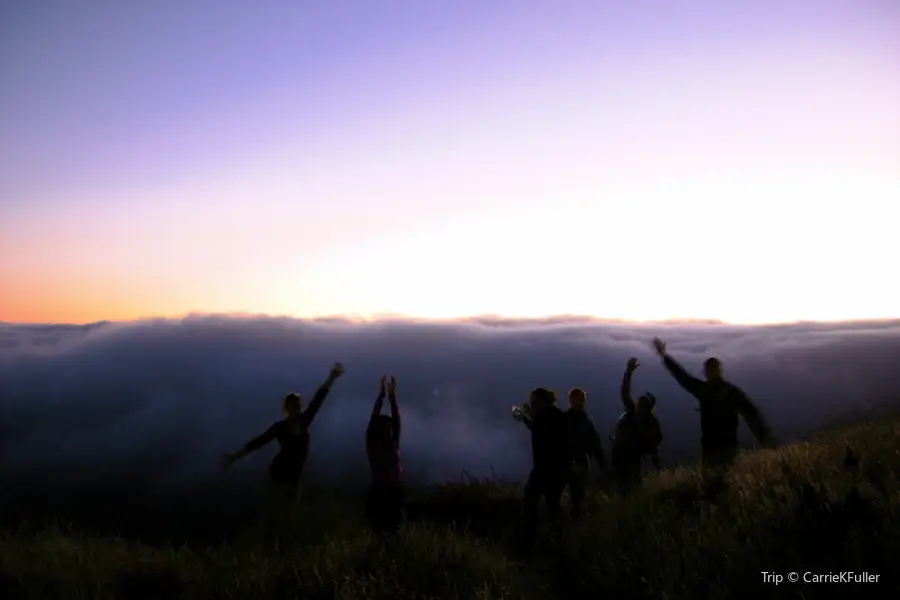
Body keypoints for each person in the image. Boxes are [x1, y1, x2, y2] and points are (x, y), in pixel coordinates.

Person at [221, 362, 345, 540]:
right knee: (276, 514)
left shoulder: (304, 421)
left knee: (290, 516)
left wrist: (332, 377)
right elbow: (259, 442)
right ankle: (271, 545)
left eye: (298, 406)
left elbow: (319, 398)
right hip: (279, 475)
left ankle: (284, 546)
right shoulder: (280, 428)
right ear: (287, 409)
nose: (296, 409)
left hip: (295, 476)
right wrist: (235, 456)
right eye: (293, 406)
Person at [652, 337, 775, 470]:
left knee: (714, 480)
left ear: (706, 373)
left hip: (715, 446)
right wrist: (766, 441)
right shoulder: (729, 392)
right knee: (722, 479)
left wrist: (664, 356)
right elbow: (752, 415)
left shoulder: (704, 390)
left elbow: (682, 377)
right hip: (721, 446)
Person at [515, 387, 570, 549]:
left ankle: (541, 541)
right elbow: (538, 427)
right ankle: (548, 540)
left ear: (543, 402)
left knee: (539, 504)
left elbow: (542, 431)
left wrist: (526, 417)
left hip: (551, 470)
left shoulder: (557, 418)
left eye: (535, 402)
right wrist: (526, 418)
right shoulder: (553, 416)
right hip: (546, 469)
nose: (532, 405)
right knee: (541, 505)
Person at [611, 358, 663, 492]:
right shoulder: (640, 415)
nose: (640, 403)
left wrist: (628, 372)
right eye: (641, 401)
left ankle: (630, 508)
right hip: (622, 455)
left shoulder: (638, 416)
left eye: (643, 402)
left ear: (648, 406)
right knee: (626, 487)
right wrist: (628, 372)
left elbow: (654, 445)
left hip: (630, 457)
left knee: (629, 487)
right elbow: (625, 392)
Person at [366, 375, 404, 533]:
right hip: (380, 490)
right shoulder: (373, 444)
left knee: (394, 528)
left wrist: (391, 396)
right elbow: (374, 419)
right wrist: (382, 395)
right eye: (386, 426)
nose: (389, 428)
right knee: (380, 529)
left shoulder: (393, 442)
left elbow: (396, 419)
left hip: (394, 489)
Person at [565, 388, 606, 519]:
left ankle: (574, 522)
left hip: (579, 462)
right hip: (566, 463)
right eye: (579, 399)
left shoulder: (586, 421)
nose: (581, 402)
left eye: (583, 399)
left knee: (577, 497)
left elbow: (595, 444)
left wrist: (602, 463)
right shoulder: (565, 419)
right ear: (571, 400)